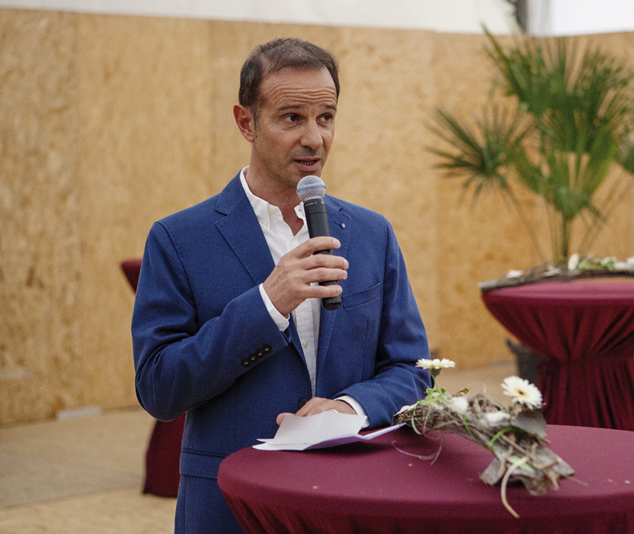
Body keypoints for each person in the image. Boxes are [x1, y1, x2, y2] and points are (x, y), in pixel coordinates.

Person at [132, 38, 432, 533]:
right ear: (246, 122)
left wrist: (349, 406)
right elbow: (160, 388)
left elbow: (412, 368)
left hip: (352, 498)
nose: (314, 138)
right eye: (292, 118)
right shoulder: (178, 239)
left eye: (326, 117)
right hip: (232, 504)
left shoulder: (372, 233)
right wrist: (268, 304)